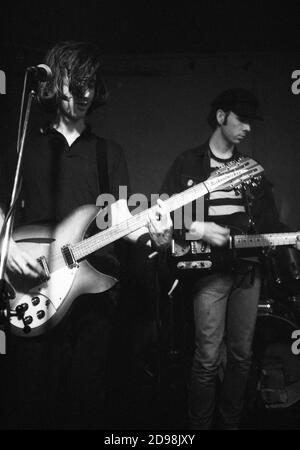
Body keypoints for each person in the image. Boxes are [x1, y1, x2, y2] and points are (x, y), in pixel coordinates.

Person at [0, 40, 172, 429]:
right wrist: (5, 246)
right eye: (74, 81)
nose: (84, 92)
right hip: (34, 288)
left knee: (87, 401)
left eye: (90, 83)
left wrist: (153, 235)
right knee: (30, 401)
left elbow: (121, 218)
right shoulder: (25, 148)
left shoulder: (108, 153)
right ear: (54, 82)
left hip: (92, 297)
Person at [160, 88, 300, 430]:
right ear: (221, 116)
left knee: (241, 356)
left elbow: (269, 223)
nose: (249, 128)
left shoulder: (250, 170)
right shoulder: (189, 163)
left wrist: (291, 237)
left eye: (252, 121)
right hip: (209, 274)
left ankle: (231, 423)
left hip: (248, 271)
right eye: (242, 119)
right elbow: (164, 214)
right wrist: (201, 228)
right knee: (207, 357)